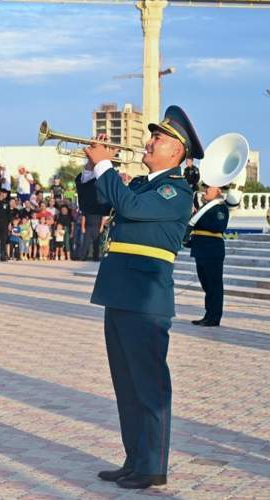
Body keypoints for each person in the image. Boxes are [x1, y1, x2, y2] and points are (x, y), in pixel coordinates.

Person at [75, 105, 201, 490]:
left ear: (176, 152)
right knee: (126, 385)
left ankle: (152, 466)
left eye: (158, 138)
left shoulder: (174, 190)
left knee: (149, 385)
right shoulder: (144, 185)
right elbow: (93, 205)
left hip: (146, 299)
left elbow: (127, 206)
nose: (149, 142)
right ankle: (134, 460)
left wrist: (106, 168)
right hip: (120, 292)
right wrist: (89, 169)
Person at [188, 184, 229, 327]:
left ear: (218, 191)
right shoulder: (204, 209)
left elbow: (217, 226)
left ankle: (214, 317)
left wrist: (197, 216)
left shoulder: (220, 208)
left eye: (208, 189)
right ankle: (208, 314)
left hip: (212, 251)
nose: (204, 190)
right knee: (207, 286)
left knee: (214, 286)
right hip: (201, 250)